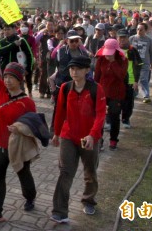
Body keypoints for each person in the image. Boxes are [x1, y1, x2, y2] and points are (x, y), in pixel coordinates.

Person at [0, 39, 38, 223]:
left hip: (17, 145)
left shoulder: (27, 103)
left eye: (12, 77)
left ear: (20, 80)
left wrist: (20, 128)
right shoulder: (0, 90)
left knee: (23, 173)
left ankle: (30, 196)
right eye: (6, 77)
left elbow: (33, 125)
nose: (8, 80)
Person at [50, 57, 106, 224]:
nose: (74, 72)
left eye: (78, 69)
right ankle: (59, 211)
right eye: (71, 69)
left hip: (88, 138)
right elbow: (59, 111)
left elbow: (100, 115)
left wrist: (92, 135)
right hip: (69, 137)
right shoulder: (66, 88)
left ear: (87, 70)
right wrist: (57, 133)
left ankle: (88, 200)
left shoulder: (96, 89)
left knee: (90, 171)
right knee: (65, 172)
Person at [93, 39, 128, 150]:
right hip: (102, 92)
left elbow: (121, 76)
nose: (107, 55)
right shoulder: (101, 59)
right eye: (106, 53)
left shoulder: (122, 60)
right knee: (100, 117)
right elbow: (97, 76)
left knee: (114, 116)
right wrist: (94, 90)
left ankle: (113, 140)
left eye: (110, 53)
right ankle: (99, 140)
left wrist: (113, 63)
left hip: (116, 93)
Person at [117, 29, 142, 129]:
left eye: (124, 37)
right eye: (120, 37)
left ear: (128, 38)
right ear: (117, 38)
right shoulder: (114, 50)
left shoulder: (133, 50)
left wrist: (136, 81)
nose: (122, 40)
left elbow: (138, 66)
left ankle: (125, 119)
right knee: (114, 101)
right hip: (116, 81)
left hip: (130, 80)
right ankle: (110, 120)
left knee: (128, 102)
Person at [129, 22, 152, 103]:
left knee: (143, 79)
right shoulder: (131, 39)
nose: (139, 31)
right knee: (133, 79)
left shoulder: (149, 40)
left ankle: (146, 95)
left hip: (144, 63)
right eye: (137, 29)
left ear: (145, 30)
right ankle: (134, 93)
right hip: (133, 64)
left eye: (141, 30)